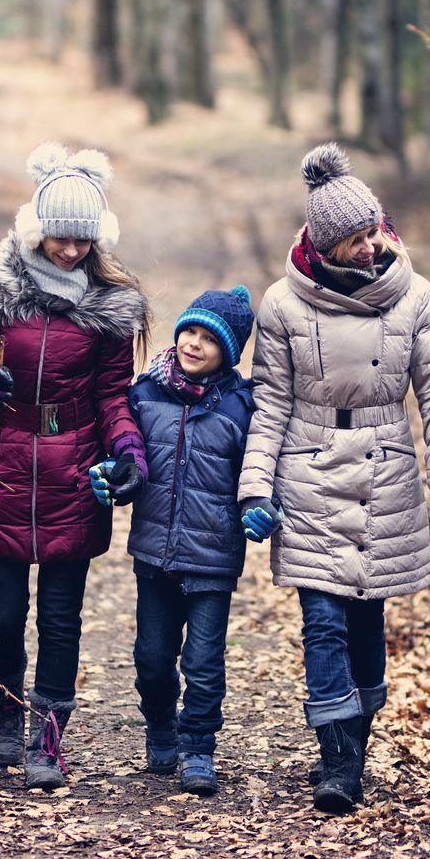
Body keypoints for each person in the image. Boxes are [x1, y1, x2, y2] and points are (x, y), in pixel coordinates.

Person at [237, 144, 430, 816]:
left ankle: (354, 742)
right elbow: (269, 402)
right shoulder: (281, 305)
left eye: (374, 232)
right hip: (307, 466)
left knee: (366, 620)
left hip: (385, 464)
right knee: (323, 620)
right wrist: (256, 487)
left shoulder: (415, 296)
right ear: (324, 245)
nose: (370, 247)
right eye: (354, 240)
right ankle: (336, 760)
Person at [0, 142, 148, 790]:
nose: (70, 251)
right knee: (4, 614)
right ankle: (6, 715)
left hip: (76, 468)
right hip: (3, 465)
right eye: (61, 238)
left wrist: (127, 448)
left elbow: (114, 394)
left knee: (60, 618)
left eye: (81, 242)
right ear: (37, 230)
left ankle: (48, 739)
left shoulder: (110, 305)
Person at [93, 286, 258, 797]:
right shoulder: (144, 395)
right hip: (154, 553)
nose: (193, 343)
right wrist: (113, 476)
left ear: (227, 353)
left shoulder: (240, 407)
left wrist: (261, 505)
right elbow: (124, 457)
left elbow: (259, 470)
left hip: (212, 558)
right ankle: (160, 725)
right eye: (190, 330)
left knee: (204, 661)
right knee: (152, 656)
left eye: (209, 339)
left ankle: (198, 748)